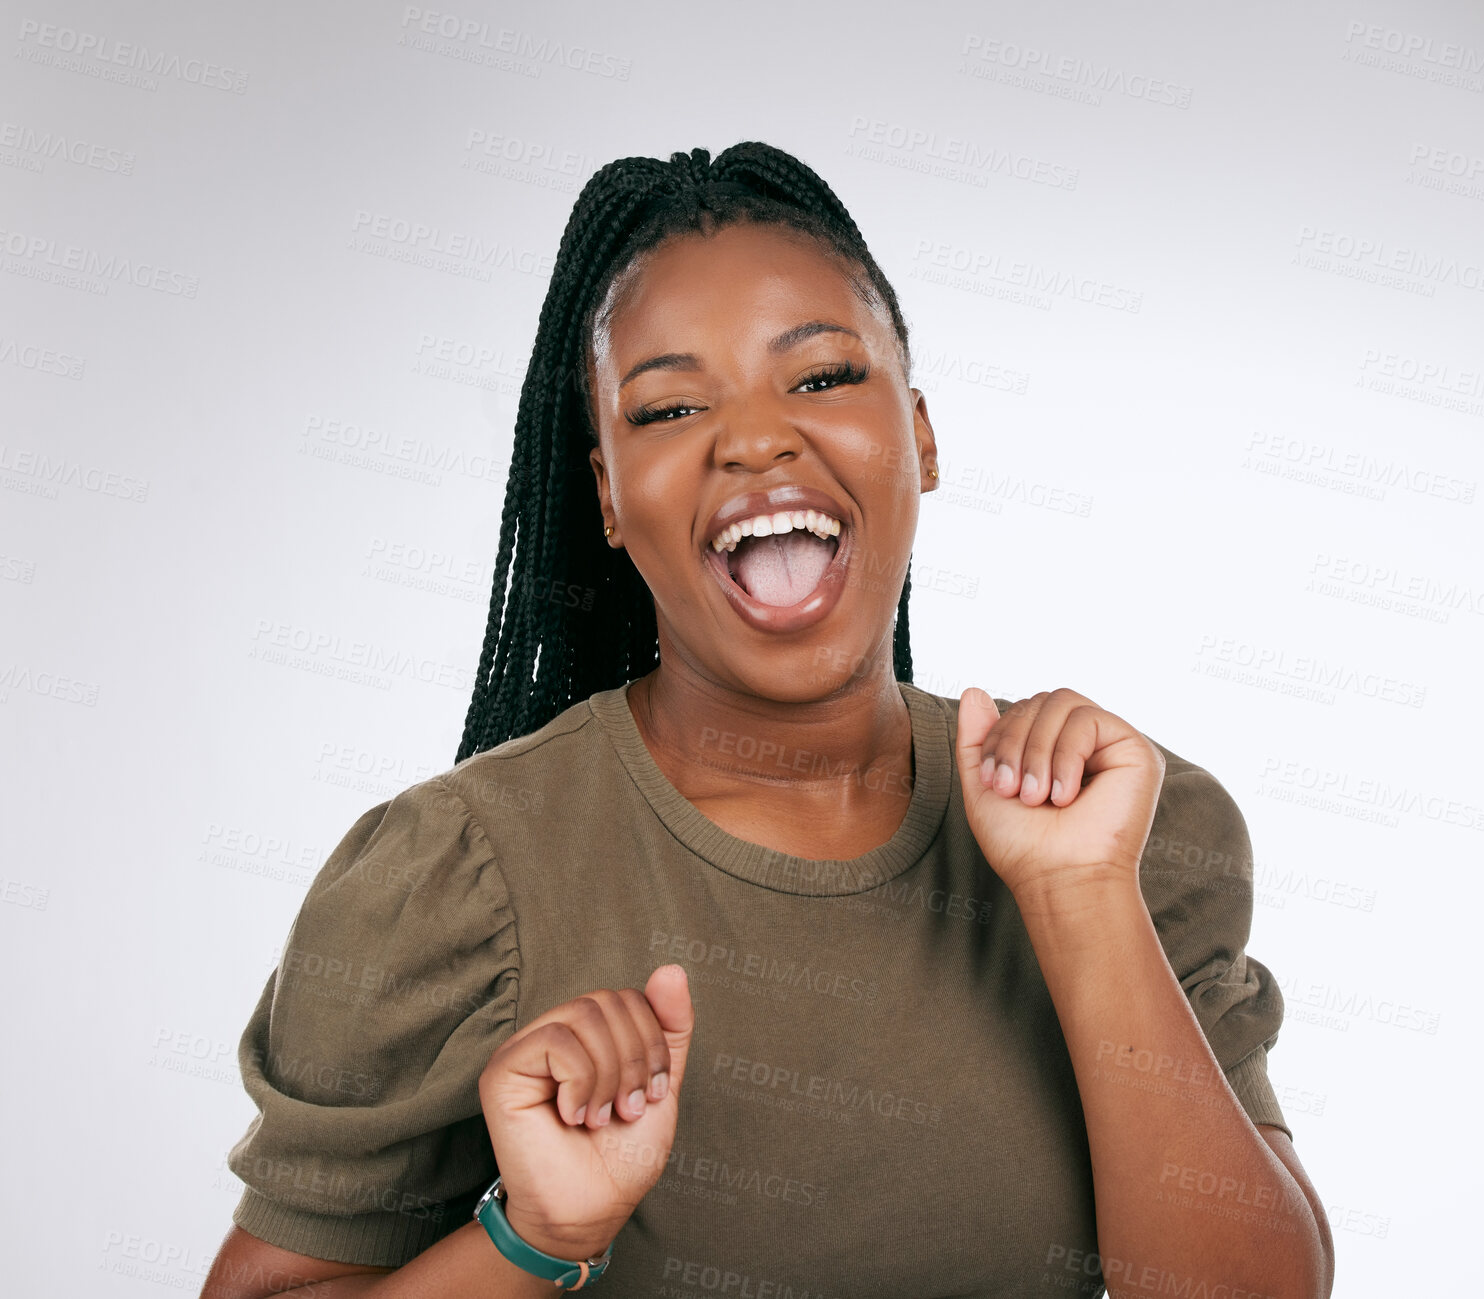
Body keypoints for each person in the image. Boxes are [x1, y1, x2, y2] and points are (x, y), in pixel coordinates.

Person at [201, 142, 1334, 1298]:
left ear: (924, 438)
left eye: (822, 379)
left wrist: (1082, 898)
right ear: (607, 494)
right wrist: (534, 1238)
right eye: (673, 406)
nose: (752, 438)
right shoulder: (457, 876)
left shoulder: (1122, 829)